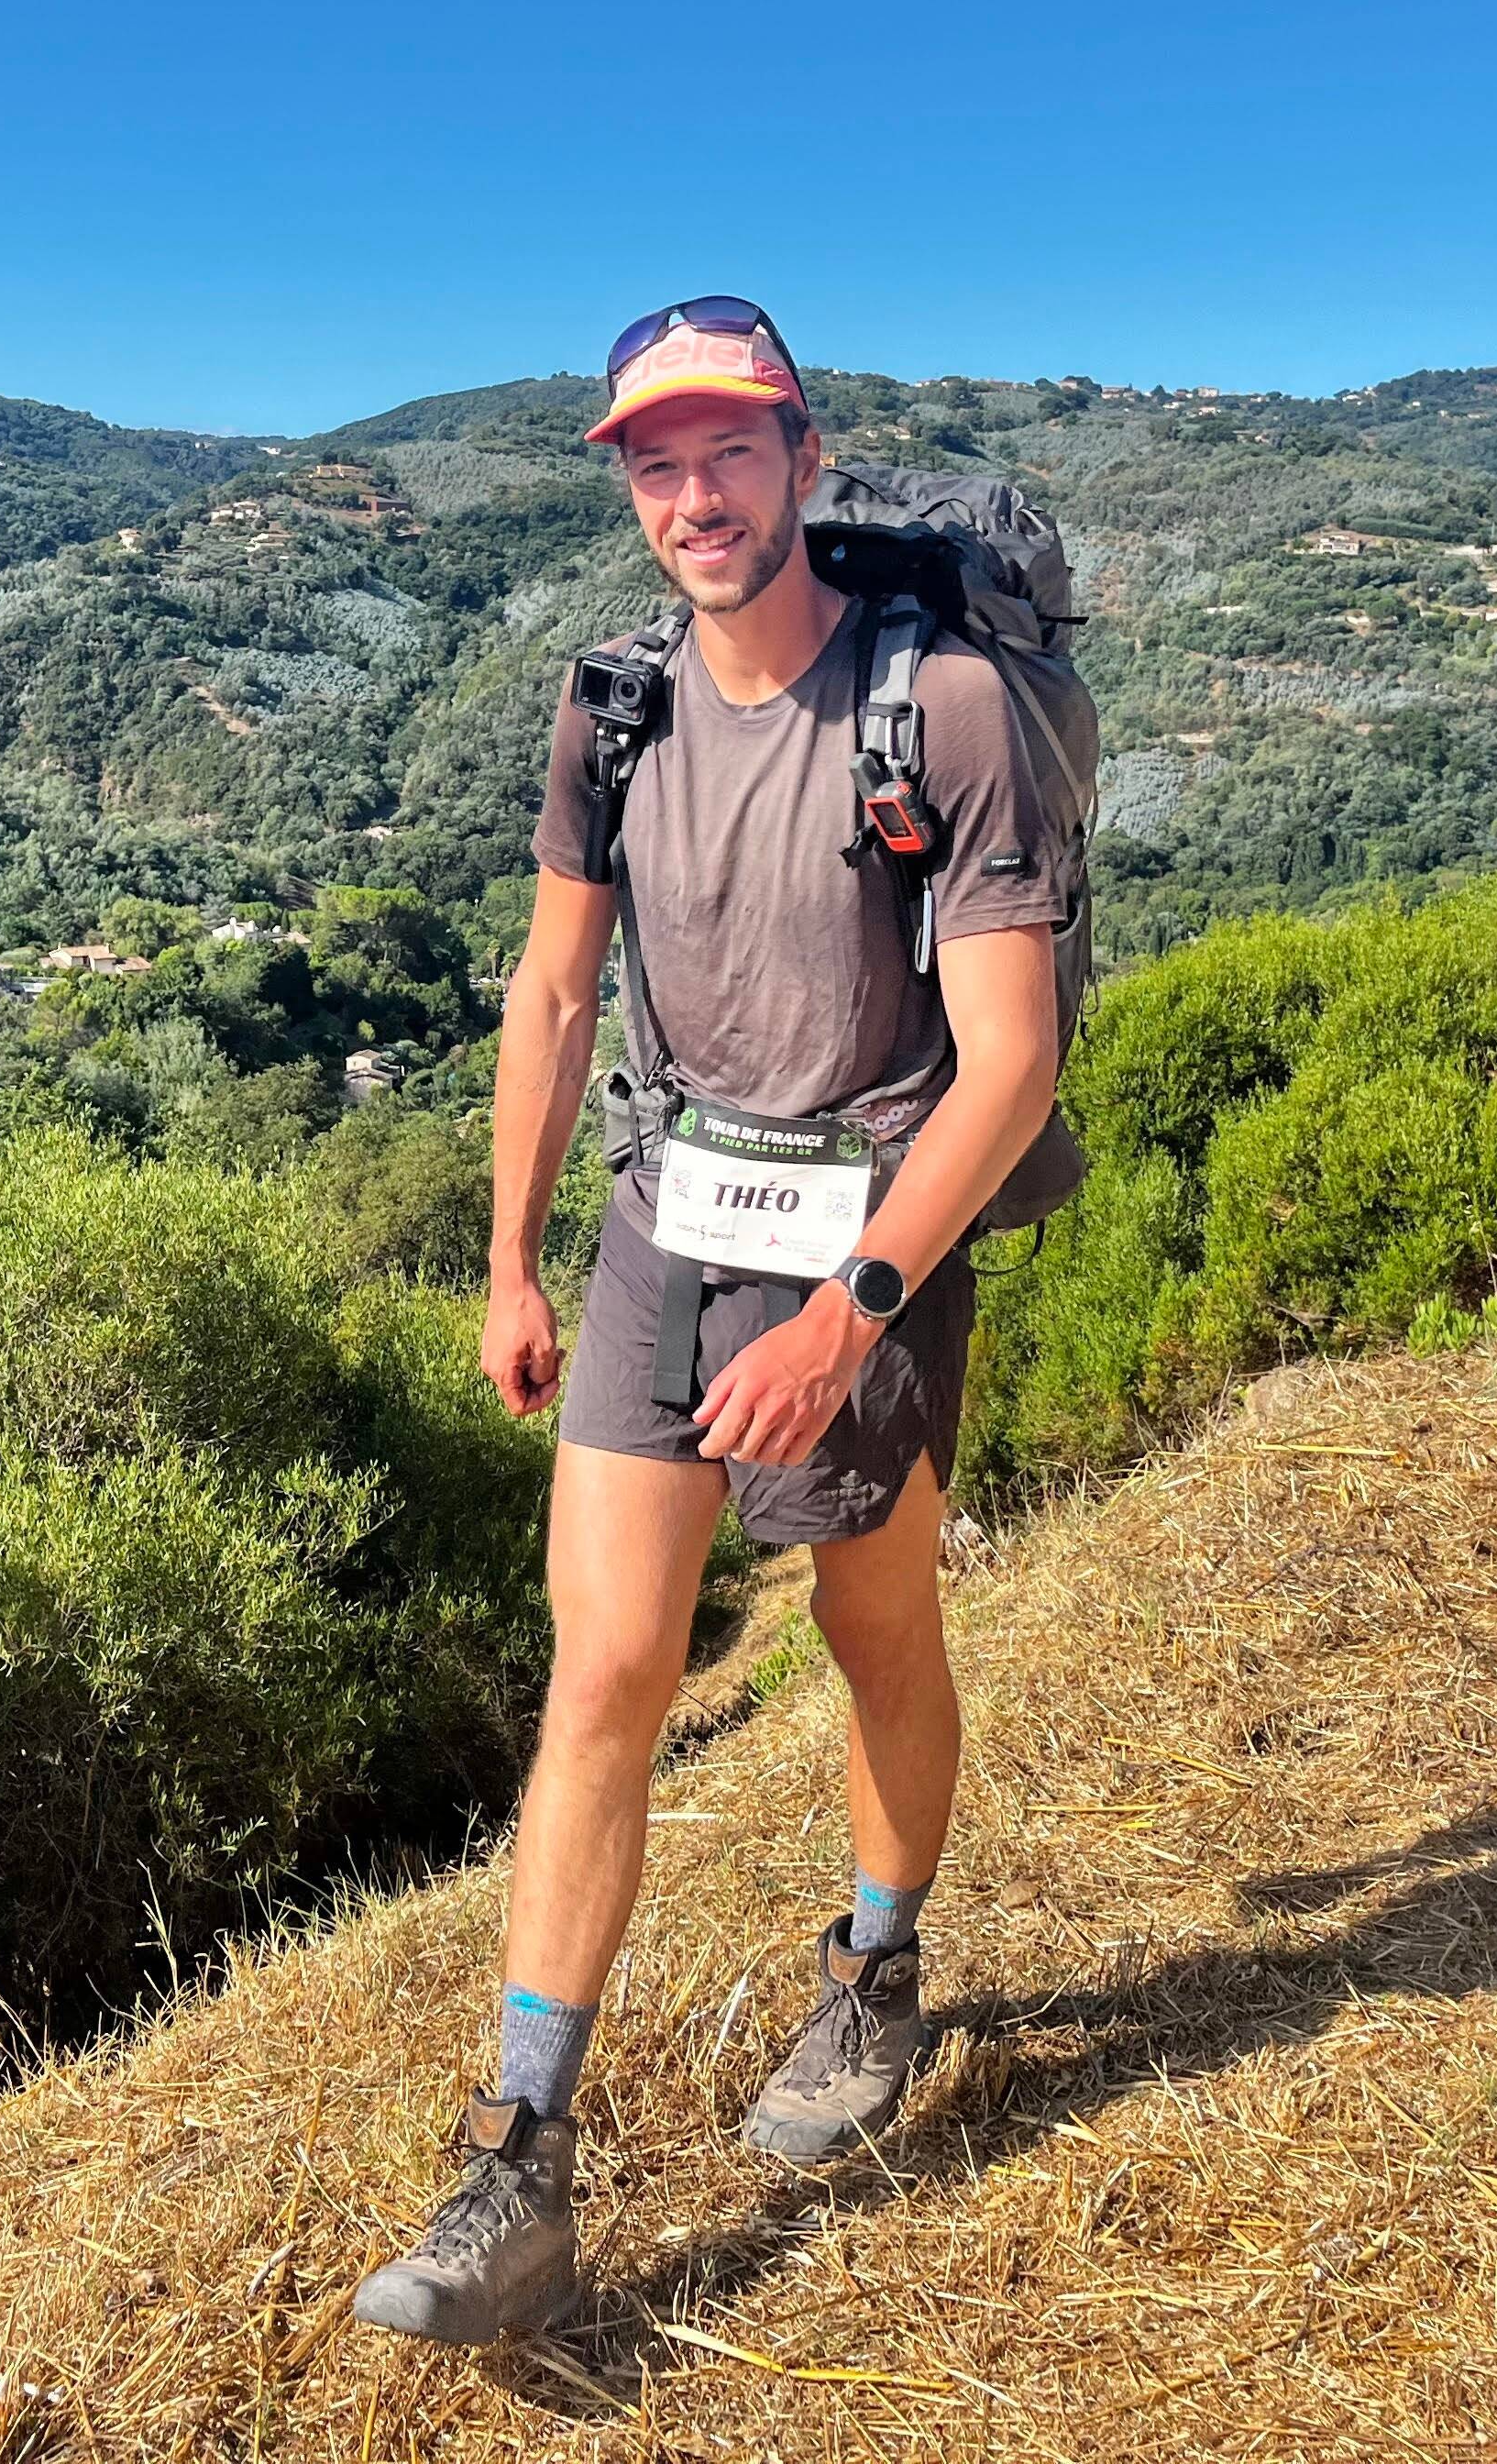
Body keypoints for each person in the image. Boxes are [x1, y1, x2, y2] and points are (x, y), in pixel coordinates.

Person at [350, 299, 1066, 2344]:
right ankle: (517, 2163)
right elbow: (554, 995)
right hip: (672, 1216)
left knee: (871, 1628)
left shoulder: (942, 709)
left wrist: (849, 1315)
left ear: (806, 460)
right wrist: (507, 1256)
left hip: (874, 1223)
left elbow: (1004, 1065)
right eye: (655, 464)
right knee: (608, 1670)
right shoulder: (619, 708)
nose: (694, 497)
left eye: (728, 453)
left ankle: (879, 1977)